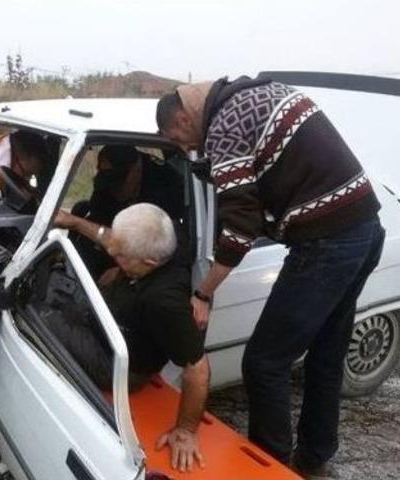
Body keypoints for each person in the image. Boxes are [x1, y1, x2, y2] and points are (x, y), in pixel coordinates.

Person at [156, 77, 384, 477]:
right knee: (327, 353)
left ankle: (269, 467)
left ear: (182, 116)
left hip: (327, 243)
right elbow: (263, 180)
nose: (183, 148)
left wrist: (204, 292)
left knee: (264, 363)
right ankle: (314, 456)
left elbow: (240, 228)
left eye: (176, 138)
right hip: (364, 227)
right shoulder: (252, 96)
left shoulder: (224, 124)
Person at [53, 203, 209, 473]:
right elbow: (111, 239)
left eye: (121, 256)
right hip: (105, 320)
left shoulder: (164, 302)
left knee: (40, 316)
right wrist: (74, 222)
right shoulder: (168, 239)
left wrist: (185, 431)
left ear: (149, 263)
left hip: (116, 364)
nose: (112, 254)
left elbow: (198, 369)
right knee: (57, 291)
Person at [55, 145, 186, 278]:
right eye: (110, 182)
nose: (114, 188)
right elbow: (98, 219)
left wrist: (121, 271)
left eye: (119, 181)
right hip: (116, 246)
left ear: (136, 169)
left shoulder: (166, 185)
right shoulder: (106, 187)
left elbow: (159, 246)